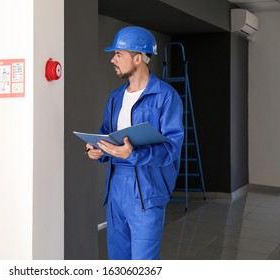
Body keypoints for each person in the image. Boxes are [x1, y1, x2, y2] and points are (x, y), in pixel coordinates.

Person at [86, 26, 184, 260]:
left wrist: (133, 154)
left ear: (138, 58)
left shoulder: (166, 96)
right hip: (116, 189)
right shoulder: (115, 97)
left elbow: (171, 148)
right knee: (118, 262)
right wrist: (98, 149)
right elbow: (106, 135)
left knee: (143, 264)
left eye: (119, 54)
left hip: (147, 191)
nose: (112, 60)